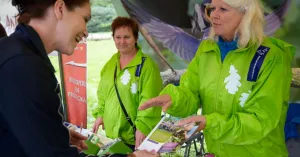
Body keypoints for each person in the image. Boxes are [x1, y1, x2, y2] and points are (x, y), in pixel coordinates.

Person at [0, 1, 158, 157]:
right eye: (85, 19)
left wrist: (56, 133)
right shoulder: (24, 65)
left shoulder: (17, 55)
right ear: (60, 9)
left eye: (126, 37)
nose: (86, 32)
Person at [139, 0, 295, 157]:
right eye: (211, 9)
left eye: (223, 9)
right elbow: (191, 91)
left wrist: (210, 123)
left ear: (246, 13)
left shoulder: (271, 56)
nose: (213, 15)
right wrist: (174, 98)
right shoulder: (207, 50)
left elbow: (261, 121)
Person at [92, 17, 163, 151]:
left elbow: (150, 100)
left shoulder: (147, 66)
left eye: (127, 37)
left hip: (135, 139)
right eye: (118, 37)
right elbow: (103, 93)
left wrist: (142, 127)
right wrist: (100, 115)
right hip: (112, 138)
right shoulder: (111, 63)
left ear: (136, 38)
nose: (122, 41)